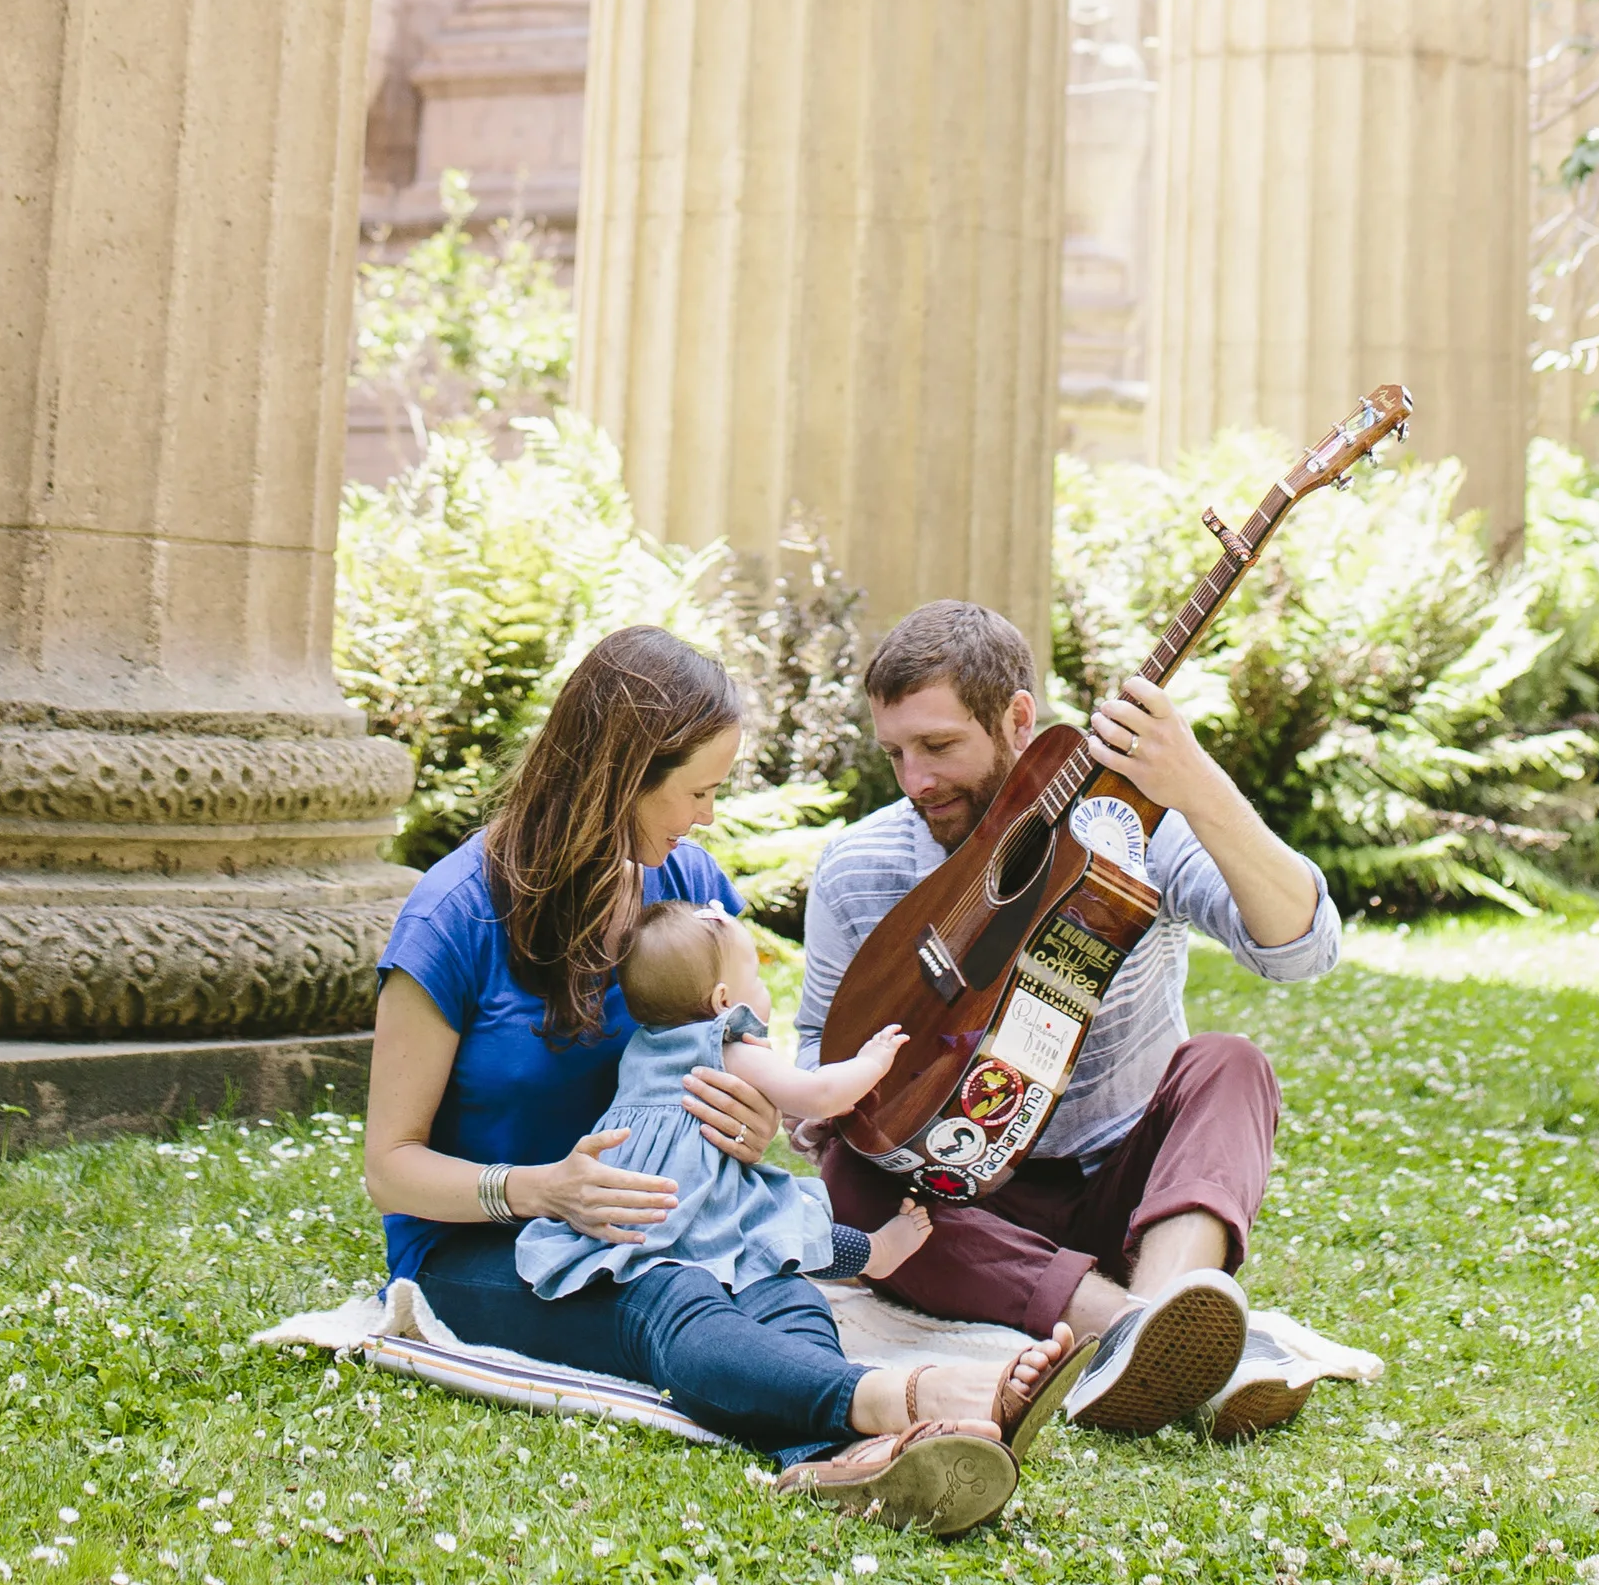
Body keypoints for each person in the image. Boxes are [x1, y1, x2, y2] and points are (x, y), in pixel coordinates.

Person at [362, 624, 1081, 1537]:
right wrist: (545, 1189)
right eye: (697, 790)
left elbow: (745, 1065)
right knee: (673, 1295)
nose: (706, 818)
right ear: (619, 776)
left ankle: (834, 1460)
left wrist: (753, 1125)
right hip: (489, 1248)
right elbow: (390, 1166)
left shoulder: (688, 887)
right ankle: (908, 1394)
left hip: (680, 1210)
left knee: (775, 1279)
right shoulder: (453, 915)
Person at [800, 599, 1344, 1442]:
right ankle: (1143, 1333)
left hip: (1119, 1186)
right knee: (851, 1175)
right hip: (958, 1200)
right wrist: (825, 1101)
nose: (915, 781)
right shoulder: (859, 865)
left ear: (1019, 718)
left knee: (1233, 1064)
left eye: (939, 746)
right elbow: (814, 1048)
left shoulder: (1130, 826)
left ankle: (1156, 1317)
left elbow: (1301, 949)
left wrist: (1198, 786)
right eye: (895, 752)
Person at [516, 895, 930, 1297]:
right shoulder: (729, 1048)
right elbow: (817, 1094)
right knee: (775, 1222)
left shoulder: (642, 1049)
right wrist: (873, 1062)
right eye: (756, 980)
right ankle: (876, 1253)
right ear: (724, 1002)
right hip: (695, 1199)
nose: (765, 990)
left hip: (629, 1205)